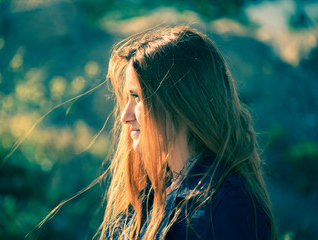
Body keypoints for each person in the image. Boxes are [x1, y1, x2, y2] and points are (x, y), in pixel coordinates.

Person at [98, 25, 277, 240]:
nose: (124, 116)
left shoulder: (229, 206)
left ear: (180, 102)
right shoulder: (151, 197)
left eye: (137, 97)